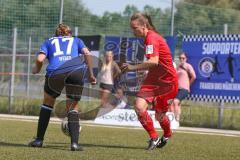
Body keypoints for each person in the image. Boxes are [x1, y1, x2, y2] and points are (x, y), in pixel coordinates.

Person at [28, 23, 96, 151]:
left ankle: (39, 140)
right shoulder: (77, 40)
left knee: (47, 104)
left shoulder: (49, 41)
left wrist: (36, 69)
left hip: (55, 72)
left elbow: (40, 59)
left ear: (56, 34)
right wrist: (91, 74)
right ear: (69, 33)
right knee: (72, 107)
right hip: (75, 72)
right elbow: (87, 53)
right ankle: (74, 144)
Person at [121, 12, 178, 150]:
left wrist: (132, 67)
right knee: (139, 107)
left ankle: (167, 134)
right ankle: (153, 137)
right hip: (153, 79)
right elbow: (153, 64)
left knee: (159, 116)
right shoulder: (148, 38)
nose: (133, 31)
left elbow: (153, 61)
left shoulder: (151, 38)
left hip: (167, 82)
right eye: (132, 28)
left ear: (144, 26)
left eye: (135, 28)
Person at [169, 53, 196, 122]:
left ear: (186, 59)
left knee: (175, 102)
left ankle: (176, 120)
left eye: (183, 58)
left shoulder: (188, 66)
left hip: (184, 89)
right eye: (180, 58)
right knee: (172, 104)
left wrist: (188, 84)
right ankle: (173, 120)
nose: (181, 59)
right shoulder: (178, 67)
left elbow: (194, 76)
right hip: (177, 88)